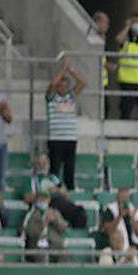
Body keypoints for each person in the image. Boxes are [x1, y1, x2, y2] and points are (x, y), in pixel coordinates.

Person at [44, 61, 86, 190]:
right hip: (55, 138)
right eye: (60, 86)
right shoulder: (51, 98)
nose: (62, 88)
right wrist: (62, 71)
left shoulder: (71, 97)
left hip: (70, 138)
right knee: (55, 168)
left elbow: (83, 83)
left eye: (65, 86)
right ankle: (54, 189)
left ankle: (70, 189)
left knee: (69, 167)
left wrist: (71, 70)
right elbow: (51, 85)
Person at [100, 187, 138, 264]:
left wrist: (132, 218)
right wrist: (119, 216)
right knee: (130, 251)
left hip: (130, 244)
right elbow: (107, 230)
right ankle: (121, 263)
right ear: (117, 198)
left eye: (126, 198)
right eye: (121, 197)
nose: (124, 200)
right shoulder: (110, 209)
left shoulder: (133, 210)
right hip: (114, 244)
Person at [22, 190, 68, 264]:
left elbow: (64, 228)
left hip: (54, 244)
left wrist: (55, 220)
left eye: (45, 199)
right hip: (37, 245)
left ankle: (59, 274)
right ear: (36, 200)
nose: (43, 201)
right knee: (42, 254)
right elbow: (29, 232)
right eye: (41, 199)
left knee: (65, 253)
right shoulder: (32, 214)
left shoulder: (54, 212)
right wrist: (43, 223)